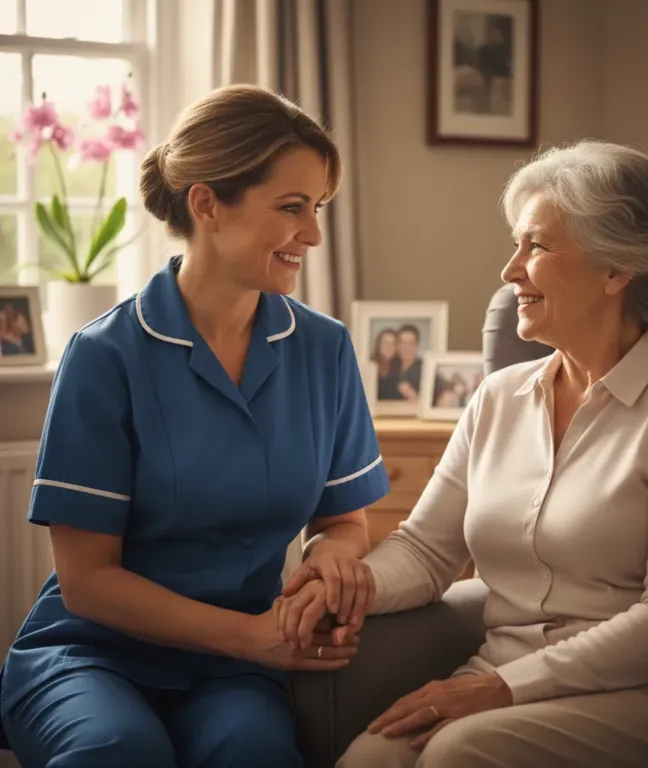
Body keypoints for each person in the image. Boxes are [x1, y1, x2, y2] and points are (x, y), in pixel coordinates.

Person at [280, 140, 648, 767]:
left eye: (536, 246)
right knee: (371, 759)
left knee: (458, 753)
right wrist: (350, 587)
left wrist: (501, 688)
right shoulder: (498, 397)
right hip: (513, 674)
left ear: (617, 270)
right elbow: (428, 551)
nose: (510, 271)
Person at [0, 84, 390, 768]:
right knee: (119, 751)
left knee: (256, 753)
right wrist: (249, 636)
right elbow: (88, 580)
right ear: (208, 204)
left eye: (319, 208)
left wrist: (332, 555)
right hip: (91, 654)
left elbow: (345, 521)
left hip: (230, 673)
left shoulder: (323, 350)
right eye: (292, 208)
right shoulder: (104, 356)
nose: (315, 235)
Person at [392, 325, 423, 402]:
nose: (405, 347)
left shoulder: (425, 369)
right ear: (397, 345)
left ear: (416, 345)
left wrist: (413, 395)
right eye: (402, 343)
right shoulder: (391, 365)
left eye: (410, 343)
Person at [371, 328, 400, 400]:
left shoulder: (401, 366)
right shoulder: (371, 365)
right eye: (385, 343)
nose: (389, 347)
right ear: (379, 345)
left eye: (393, 344)